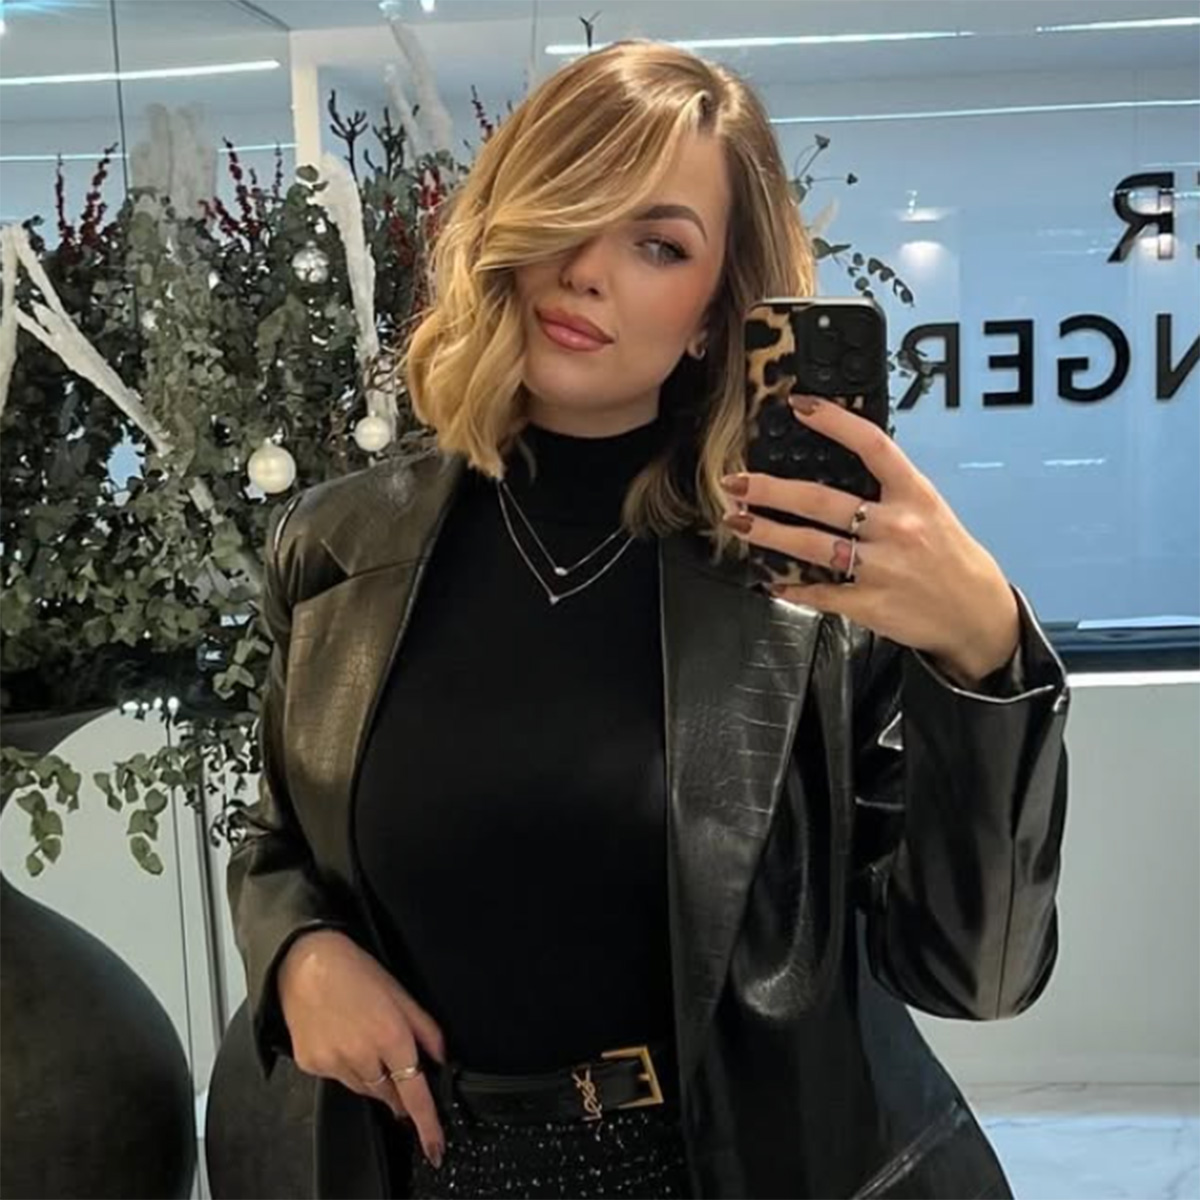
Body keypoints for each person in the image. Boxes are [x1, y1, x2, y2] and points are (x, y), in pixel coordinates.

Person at [227, 38, 1071, 1200]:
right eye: (569, 208)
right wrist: (294, 953)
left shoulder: (809, 591)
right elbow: (277, 832)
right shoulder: (339, 550)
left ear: (717, 310)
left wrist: (986, 653)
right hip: (431, 1167)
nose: (587, 270)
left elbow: (974, 973)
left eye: (658, 244)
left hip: (748, 1172)